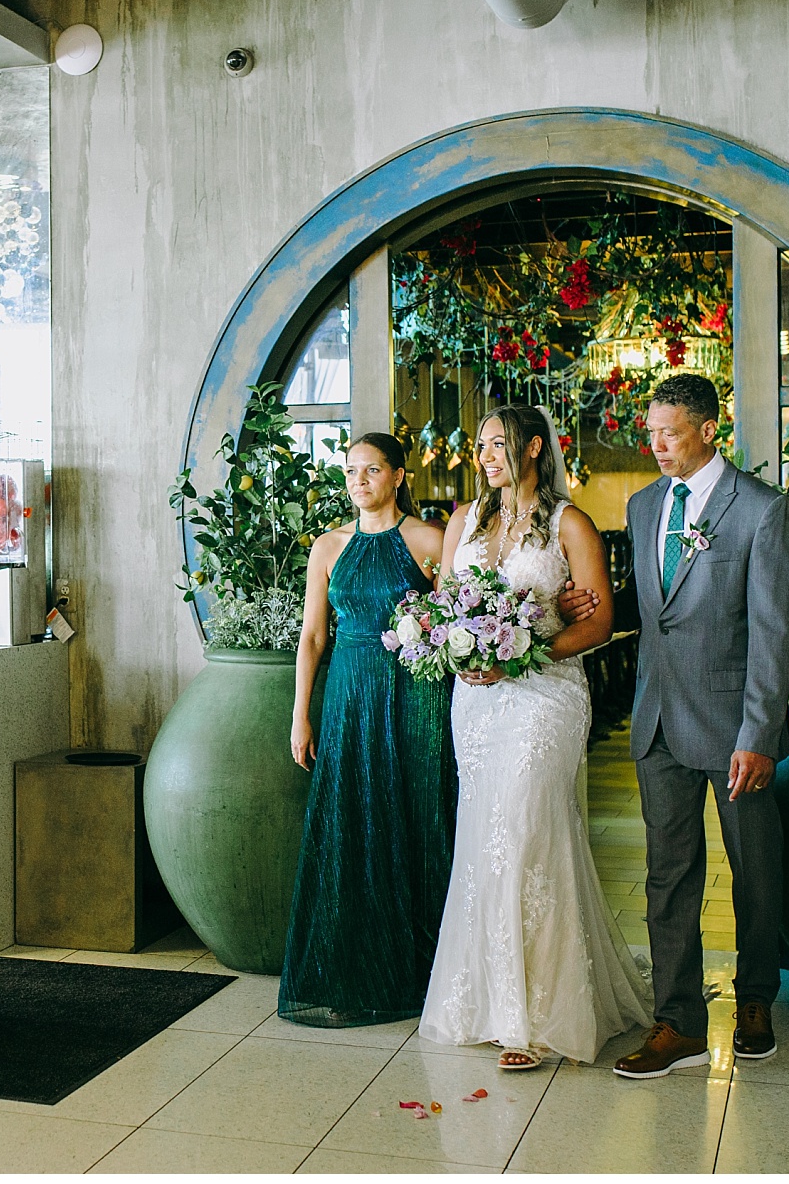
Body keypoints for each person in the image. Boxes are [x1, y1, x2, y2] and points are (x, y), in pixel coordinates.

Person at [419, 404, 653, 1070]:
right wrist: (452, 647)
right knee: (484, 834)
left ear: (531, 449)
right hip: (476, 701)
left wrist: (529, 648)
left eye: (498, 443)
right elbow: (443, 607)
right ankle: (489, 1002)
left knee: (526, 832)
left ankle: (539, 1017)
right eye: (479, 444)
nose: (485, 454)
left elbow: (603, 620)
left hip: (544, 696)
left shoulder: (568, 524)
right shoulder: (463, 521)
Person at [613, 374, 789, 1078]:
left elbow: (773, 633)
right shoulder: (641, 505)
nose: (657, 445)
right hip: (658, 719)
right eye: (651, 431)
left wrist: (758, 733)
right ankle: (679, 1022)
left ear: (708, 430)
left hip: (733, 729)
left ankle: (755, 1001)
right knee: (668, 876)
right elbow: (653, 613)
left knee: (754, 872)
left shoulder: (760, 510)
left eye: (672, 433)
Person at [280, 432, 456, 1026]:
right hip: (350, 693)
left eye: (372, 470)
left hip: (415, 693)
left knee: (416, 814)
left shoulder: (428, 539)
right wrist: (301, 713)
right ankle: (358, 962)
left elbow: (457, 618)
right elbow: (312, 636)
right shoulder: (328, 547)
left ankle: (424, 970)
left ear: (399, 476)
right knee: (353, 817)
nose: (359, 481)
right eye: (351, 471)